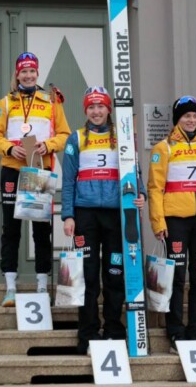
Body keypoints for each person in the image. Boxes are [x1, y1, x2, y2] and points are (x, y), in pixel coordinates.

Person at [61, 86, 145, 355]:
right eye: (91, 107)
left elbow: (134, 169)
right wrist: (68, 215)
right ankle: (87, 334)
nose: (96, 112)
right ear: (85, 110)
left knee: (114, 273)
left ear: (109, 109)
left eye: (101, 106)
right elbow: (67, 180)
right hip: (85, 214)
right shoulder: (75, 139)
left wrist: (140, 193)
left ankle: (114, 329)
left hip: (115, 213)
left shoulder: (121, 137)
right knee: (87, 276)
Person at [0, 52, 70, 306]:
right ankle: (10, 287)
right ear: (17, 74)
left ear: (37, 73)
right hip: (13, 170)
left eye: (32, 71)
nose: (28, 75)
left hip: (39, 169)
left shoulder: (51, 101)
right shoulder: (6, 102)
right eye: (23, 71)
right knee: (11, 230)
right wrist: (9, 149)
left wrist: (48, 145)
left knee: (40, 230)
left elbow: (65, 134)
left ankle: (42, 286)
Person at [147, 95, 196, 353]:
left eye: (194, 116)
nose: (191, 120)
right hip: (176, 221)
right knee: (178, 278)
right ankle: (175, 332)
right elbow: (155, 188)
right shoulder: (164, 147)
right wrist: (158, 222)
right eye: (186, 116)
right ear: (177, 119)